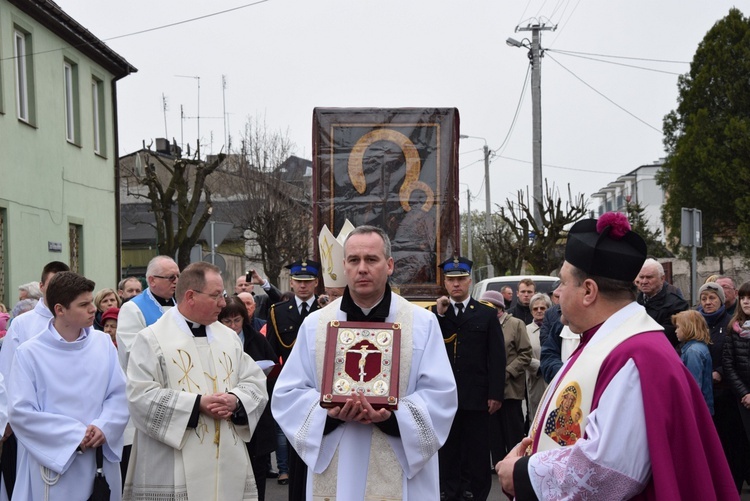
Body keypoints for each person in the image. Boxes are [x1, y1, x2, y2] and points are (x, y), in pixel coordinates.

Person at [496, 212, 736, 500]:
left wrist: (522, 474)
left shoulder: (637, 357)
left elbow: (606, 471)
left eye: (562, 282)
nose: (557, 293)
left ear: (588, 291)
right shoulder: (609, 340)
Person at [272, 225, 457, 500]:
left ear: (389, 265)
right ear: (344, 266)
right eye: (354, 260)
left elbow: (441, 395)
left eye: (371, 259)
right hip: (337, 456)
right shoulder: (316, 325)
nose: (362, 268)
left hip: (399, 460)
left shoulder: (421, 323)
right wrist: (329, 415)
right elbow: (288, 395)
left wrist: (393, 418)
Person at [122, 262, 268, 501]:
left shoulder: (228, 338)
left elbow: (254, 380)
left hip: (227, 463)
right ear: (190, 296)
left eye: (222, 295)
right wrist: (196, 404)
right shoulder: (152, 339)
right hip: (171, 464)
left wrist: (236, 400)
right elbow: (140, 396)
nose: (223, 303)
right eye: (216, 296)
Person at [7, 271, 128, 500]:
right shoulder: (30, 353)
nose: (93, 309)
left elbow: (119, 394)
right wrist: (75, 437)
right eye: (83, 304)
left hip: (98, 458)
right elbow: (21, 412)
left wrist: (104, 426)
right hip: (54, 464)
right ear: (60, 309)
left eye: (92, 301)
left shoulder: (103, 343)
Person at [431, 257, 505, 501]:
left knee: (476, 450)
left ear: (470, 281)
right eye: (451, 280)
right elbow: (429, 348)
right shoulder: (435, 315)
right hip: (445, 397)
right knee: (448, 450)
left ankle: (477, 492)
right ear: (445, 282)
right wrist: (440, 316)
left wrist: (495, 393)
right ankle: (449, 492)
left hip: (476, 395)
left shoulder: (485, 314)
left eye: (461, 279)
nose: (456, 285)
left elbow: (496, 357)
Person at [0, 260, 69, 499]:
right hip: (31, 416)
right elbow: (8, 370)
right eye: (53, 285)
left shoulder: (76, 322)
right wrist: (8, 416)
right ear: (41, 286)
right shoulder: (23, 323)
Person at [116, 255, 179, 483]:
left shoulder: (181, 306)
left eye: (178, 277)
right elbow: (133, 354)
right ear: (152, 280)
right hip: (149, 396)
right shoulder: (133, 309)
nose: (176, 282)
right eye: (171, 277)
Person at [268, 259, 322, 492]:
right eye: (298, 282)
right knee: (293, 443)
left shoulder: (325, 311)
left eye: (308, 282)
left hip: (321, 386)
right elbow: (271, 352)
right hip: (293, 388)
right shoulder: (278, 312)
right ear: (291, 282)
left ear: (316, 283)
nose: (303, 286)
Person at [219, 297, 277, 501]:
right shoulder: (216, 341)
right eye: (228, 321)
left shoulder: (257, 339)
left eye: (237, 320)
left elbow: (272, 366)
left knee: (257, 470)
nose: (233, 326)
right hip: (228, 415)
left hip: (257, 416)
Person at [698, 281, 747, 491]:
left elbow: (730, 359)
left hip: (726, 396)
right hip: (704, 396)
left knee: (731, 446)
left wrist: (719, 371)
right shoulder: (697, 322)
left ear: (721, 300)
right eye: (704, 299)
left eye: (712, 298)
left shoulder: (728, 323)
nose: (708, 303)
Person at [480, 290, 531, 466]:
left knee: (513, 429)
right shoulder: (483, 323)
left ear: (499, 307)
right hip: (489, 389)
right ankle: (498, 463)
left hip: (510, 390)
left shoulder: (516, 324)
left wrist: (506, 372)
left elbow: (525, 354)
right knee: (494, 430)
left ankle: (516, 462)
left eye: (489, 306)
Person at [722, 281, 750, 472]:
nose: (746, 302)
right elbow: (728, 364)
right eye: (743, 298)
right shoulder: (734, 327)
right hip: (744, 399)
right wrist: (745, 393)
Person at [636, 258, 689, 347]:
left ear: (662, 279)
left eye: (649, 277)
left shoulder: (676, 305)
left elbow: (668, 337)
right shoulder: (634, 301)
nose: (644, 282)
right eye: (641, 277)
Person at [672, 310, 714, 414]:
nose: (675, 331)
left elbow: (693, 386)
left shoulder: (693, 352)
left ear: (688, 327)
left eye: (678, 327)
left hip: (696, 411)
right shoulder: (698, 348)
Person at [526, 292, 552, 425]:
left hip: (555, 378)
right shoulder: (525, 331)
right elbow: (524, 356)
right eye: (535, 308)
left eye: (543, 308)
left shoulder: (556, 328)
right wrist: (543, 367)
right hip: (537, 380)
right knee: (538, 418)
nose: (539, 311)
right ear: (531, 311)